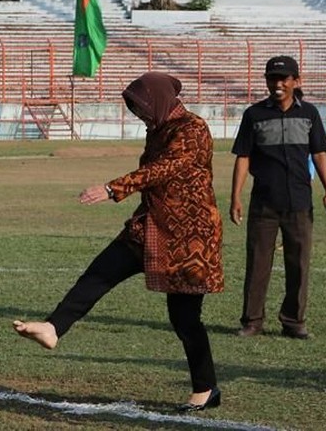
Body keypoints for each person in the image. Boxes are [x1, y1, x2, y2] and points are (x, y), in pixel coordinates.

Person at [13, 72, 224, 412]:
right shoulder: (157, 128)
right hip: (150, 227)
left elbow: (165, 169)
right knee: (101, 272)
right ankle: (54, 327)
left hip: (188, 237)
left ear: (157, 99)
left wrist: (113, 189)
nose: (138, 115)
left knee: (184, 318)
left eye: (141, 107)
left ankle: (206, 388)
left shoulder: (192, 128)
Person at [230, 56, 326, 340]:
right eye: (272, 78)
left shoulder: (310, 114)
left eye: (284, 78)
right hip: (263, 203)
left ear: (296, 81)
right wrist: (235, 198)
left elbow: (319, 155)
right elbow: (243, 157)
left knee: (299, 263)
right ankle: (252, 321)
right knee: (258, 264)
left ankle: (294, 322)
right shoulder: (253, 115)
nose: (278, 84)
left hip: (300, 203)